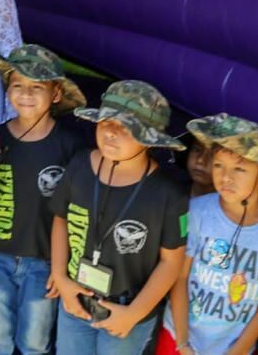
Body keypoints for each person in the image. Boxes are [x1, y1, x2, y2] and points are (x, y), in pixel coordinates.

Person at [50, 81, 188, 355]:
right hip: (76, 298)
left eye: (125, 128)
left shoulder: (169, 195)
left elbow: (172, 262)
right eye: (105, 123)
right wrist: (60, 277)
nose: (111, 133)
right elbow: (60, 220)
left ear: (149, 138)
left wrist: (135, 312)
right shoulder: (79, 164)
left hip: (127, 310)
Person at [160, 114, 258, 355]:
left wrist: (237, 351)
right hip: (178, 336)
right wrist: (183, 343)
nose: (225, 177)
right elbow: (180, 277)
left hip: (235, 347)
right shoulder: (197, 212)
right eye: (218, 165)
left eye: (240, 168)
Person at [0, 45, 86, 355]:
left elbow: (77, 214)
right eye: (17, 85)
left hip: (44, 262)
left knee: (34, 342)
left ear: (55, 94)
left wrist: (63, 268)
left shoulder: (71, 146)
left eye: (36, 87)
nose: (25, 94)